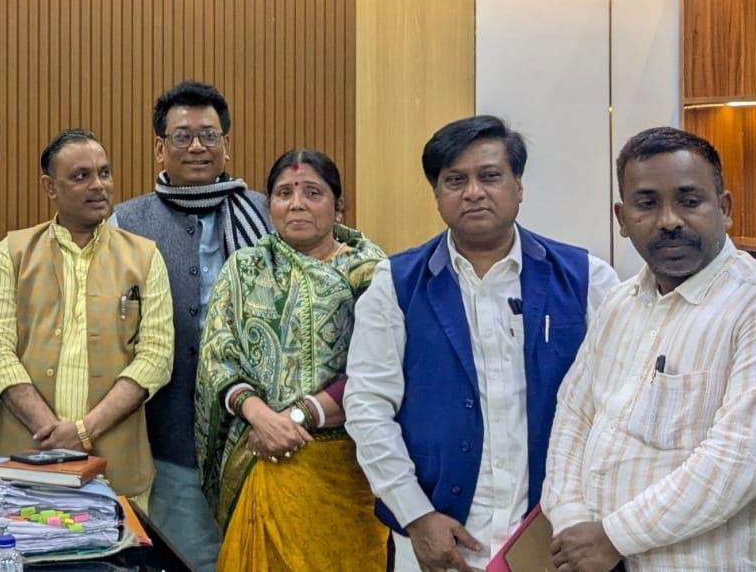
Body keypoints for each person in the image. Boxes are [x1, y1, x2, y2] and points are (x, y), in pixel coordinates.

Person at [544, 127, 756, 571]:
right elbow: (573, 416)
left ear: (725, 209)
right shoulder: (619, 303)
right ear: (622, 218)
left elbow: (737, 462)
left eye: (689, 201)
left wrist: (614, 537)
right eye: (647, 203)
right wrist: (571, 521)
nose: (670, 220)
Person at [344, 115, 618, 572]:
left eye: (490, 176)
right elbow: (367, 406)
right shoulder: (397, 284)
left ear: (518, 185)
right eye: (455, 180)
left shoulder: (587, 278)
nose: (473, 192)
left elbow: (621, 404)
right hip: (440, 537)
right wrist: (416, 515)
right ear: (437, 193)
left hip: (555, 536)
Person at [196, 149, 390, 570]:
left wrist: (298, 416)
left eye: (313, 193)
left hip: (343, 469)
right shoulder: (244, 268)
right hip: (258, 453)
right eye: (284, 193)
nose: (297, 204)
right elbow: (217, 357)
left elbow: (379, 368)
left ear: (339, 206)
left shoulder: (371, 272)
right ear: (269, 207)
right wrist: (262, 418)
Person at [110, 81, 269, 571]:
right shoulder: (124, 223)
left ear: (227, 144)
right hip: (168, 437)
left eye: (209, 135)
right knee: (186, 560)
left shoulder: (267, 213)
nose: (197, 147)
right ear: (160, 147)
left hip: (258, 433)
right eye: (182, 136)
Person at [0, 129, 174, 506]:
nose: (98, 185)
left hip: (116, 464)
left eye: (104, 173)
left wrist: (84, 432)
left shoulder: (144, 256)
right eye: (81, 176)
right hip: (26, 459)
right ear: (50, 187)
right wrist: (50, 432)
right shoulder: (13, 253)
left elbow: (156, 357)